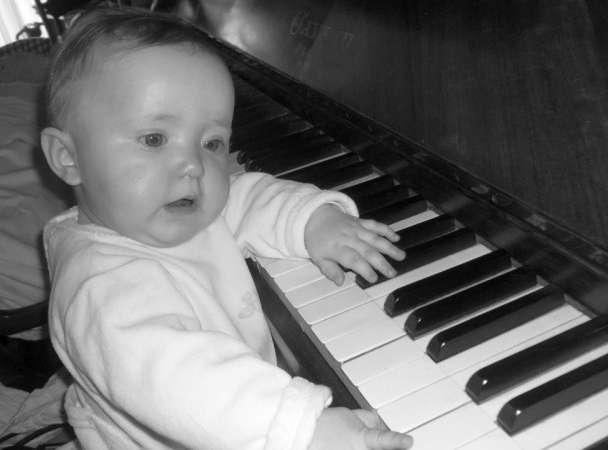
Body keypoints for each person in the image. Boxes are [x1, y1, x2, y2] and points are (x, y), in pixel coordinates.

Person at [40, 6, 413, 450]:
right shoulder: (98, 289)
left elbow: (244, 196)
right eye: (154, 139)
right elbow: (182, 379)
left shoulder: (158, 209)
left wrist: (312, 219)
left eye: (212, 142)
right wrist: (300, 430)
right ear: (68, 158)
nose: (193, 165)